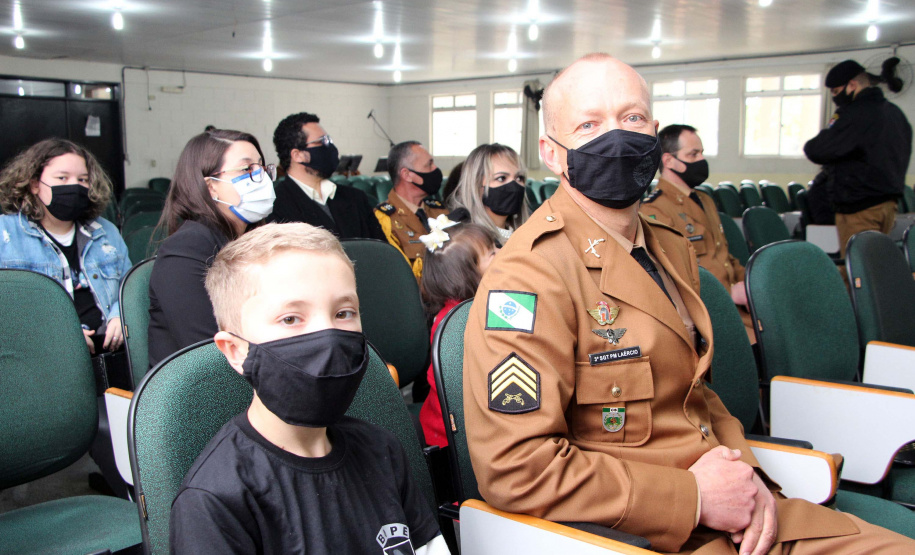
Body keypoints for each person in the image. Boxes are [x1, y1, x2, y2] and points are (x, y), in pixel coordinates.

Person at [463, 52, 914, 554]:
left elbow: (697, 396)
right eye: (589, 124)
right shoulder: (530, 275)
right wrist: (694, 498)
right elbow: (516, 468)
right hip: (650, 535)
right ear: (551, 151)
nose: (616, 136)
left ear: (653, 133)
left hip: (747, 516)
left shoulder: (668, 245)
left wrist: (750, 479)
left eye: (631, 117)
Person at [169, 223, 448, 554]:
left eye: (344, 313)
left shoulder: (382, 451)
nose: (328, 338)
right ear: (235, 350)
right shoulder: (216, 500)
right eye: (291, 319)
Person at [147, 129, 276, 369]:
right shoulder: (185, 249)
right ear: (211, 187)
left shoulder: (257, 240)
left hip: (260, 373)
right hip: (204, 392)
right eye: (247, 169)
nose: (262, 177)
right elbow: (210, 349)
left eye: (262, 167)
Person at [0, 138, 130, 356]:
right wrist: (65, 333)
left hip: (108, 352)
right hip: (42, 357)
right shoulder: (5, 234)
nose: (74, 186)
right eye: (62, 178)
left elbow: (128, 287)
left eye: (82, 179)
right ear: (34, 184)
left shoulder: (105, 231)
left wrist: (119, 315)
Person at [640, 124, 754, 342]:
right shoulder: (655, 210)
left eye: (701, 153)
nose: (701, 160)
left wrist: (750, 284)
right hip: (708, 313)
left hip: (738, 307)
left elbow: (724, 256)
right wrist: (730, 293)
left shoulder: (705, 200)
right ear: (668, 161)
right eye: (693, 154)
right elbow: (673, 277)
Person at [803, 57, 912, 258]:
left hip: (859, 208)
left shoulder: (856, 114)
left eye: (836, 92)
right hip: (887, 207)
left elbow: (818, 149)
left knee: (856, 271)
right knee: (874, 268)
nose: (836, 98)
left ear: (852, 85)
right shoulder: (895, 114)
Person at [417, 219, 498, 447]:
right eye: (492, 253)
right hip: (452, 436)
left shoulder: (480, 306)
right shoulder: (456, 323)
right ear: (467, 274)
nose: (502, 253)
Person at [268, 112, 386, 241]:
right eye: (322, 141)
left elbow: (382, 253)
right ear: (297, 155)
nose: (330, 147)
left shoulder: (356, 198)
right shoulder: (276, 206)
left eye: (329, 140)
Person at [375, 141, 449, 279]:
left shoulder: (439, 210)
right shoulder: (384, 220)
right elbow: (399, 276)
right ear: (407, 174)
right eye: (429, 165)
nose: (435, 169)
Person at [449, 143, 527, 244]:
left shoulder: (527, 232)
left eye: (519, 178)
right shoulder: (463, 239)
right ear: (476, 185)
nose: (514, 186)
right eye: (501, 178)